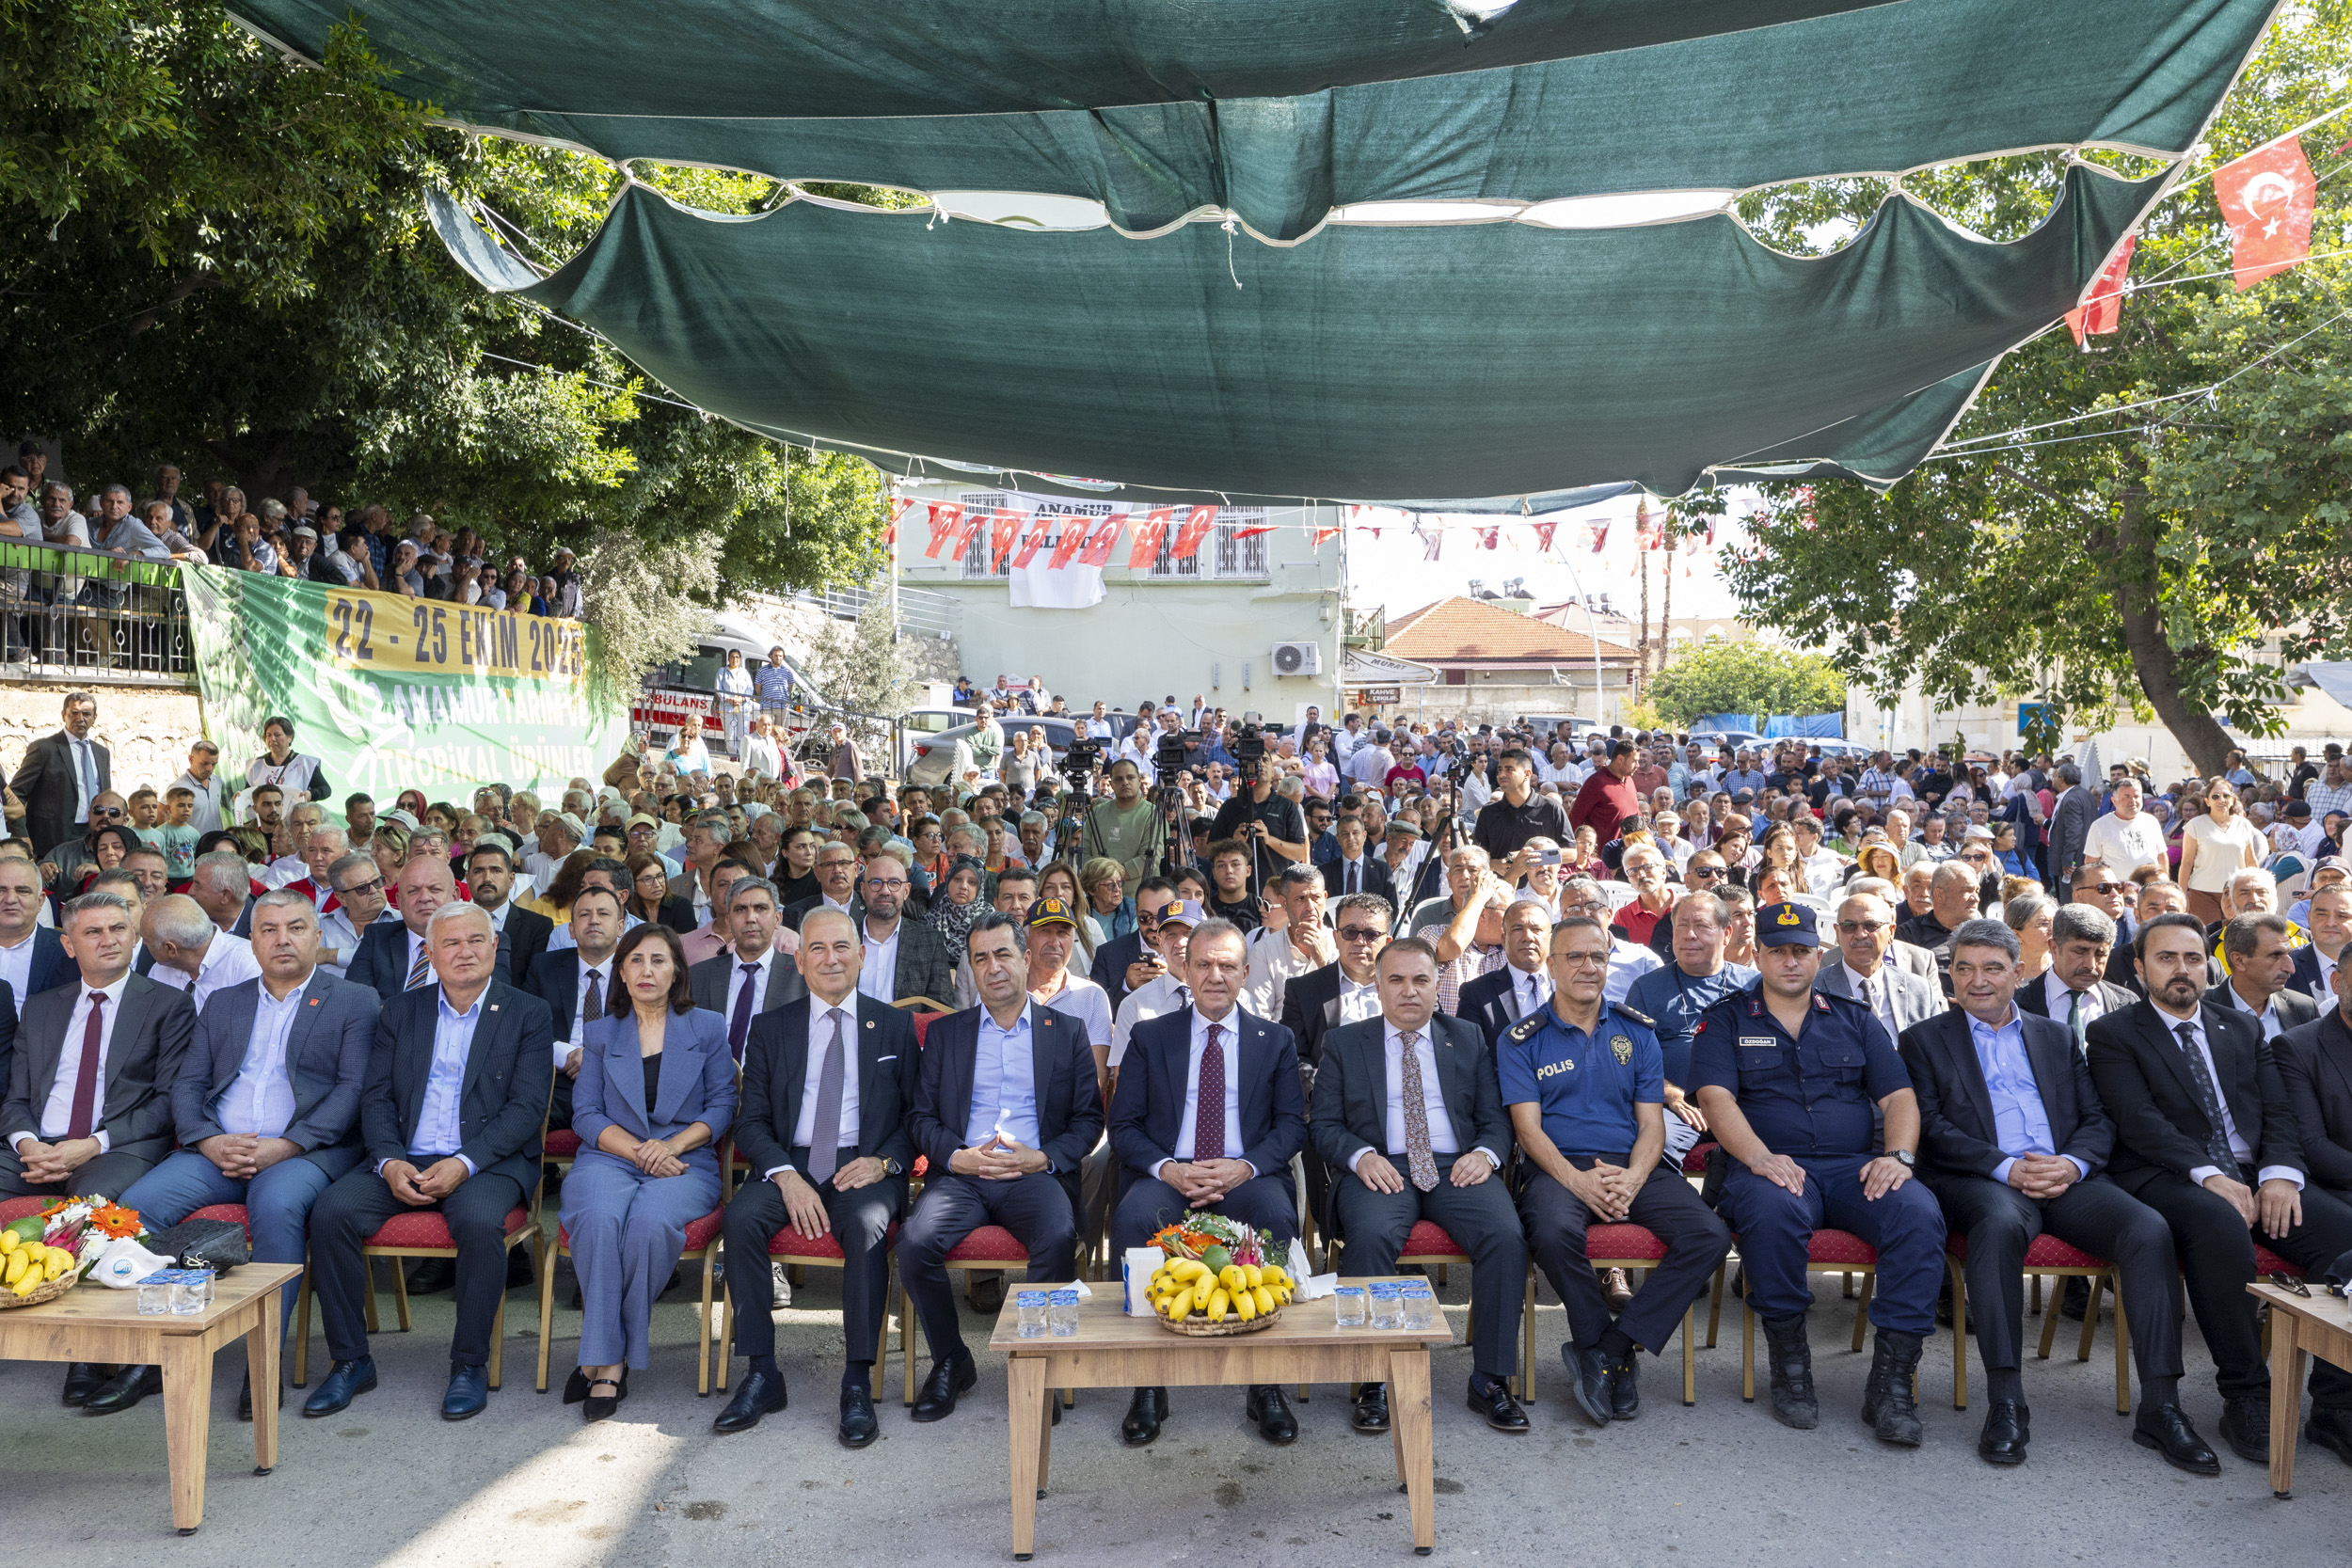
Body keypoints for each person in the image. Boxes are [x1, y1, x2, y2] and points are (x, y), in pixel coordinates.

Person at [1898, 918, 2209, 1470]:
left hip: (2065, 1176)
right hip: (1983, 1180)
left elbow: (2096, 1117)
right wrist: (2004, 1168)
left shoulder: (2056, 1035)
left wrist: (2071, 1163)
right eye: (1963, 968)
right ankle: (2007, 1401)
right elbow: (1933, 1127)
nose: (1977, 981)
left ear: (2019, 972)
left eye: (1992, 968)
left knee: (2146, 1228)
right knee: (1996, 1228)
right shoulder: (1923, 1040)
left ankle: (2162, 1406)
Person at [2085, 911, 2352, 1467]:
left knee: (2344, 1239)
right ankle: (2246, 1393)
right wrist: (2211, 1176)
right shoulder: (2112, 1033)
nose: (2182, 970)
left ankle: (2334, 1404)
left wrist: (2281, 1173)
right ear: (2139, 968)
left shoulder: (2241, 1027)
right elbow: (2139, 1122)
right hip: (2167, 1175)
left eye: (2191, 958)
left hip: (2255, 1174)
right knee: (2219, 1223)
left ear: (2208, 965)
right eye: (2165, 958)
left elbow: (2279, 1113)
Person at [103, 892, 378, 1421]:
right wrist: (208, 1139)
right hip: (218, 1149)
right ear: (249, 941)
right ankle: (156, 1349)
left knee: (276, 1209)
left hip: (304, 1150)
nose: (282, 939)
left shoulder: (354, 1000)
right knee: (138, 1207)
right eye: (268, 929)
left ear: (317, 937)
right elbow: (190, 1083)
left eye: (295, 928)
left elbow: (353, 1090)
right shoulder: (225, 1001)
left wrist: (288, 1144)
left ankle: (262, 1359)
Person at [1690, 902, 1945, 1444]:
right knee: (1771, 1211)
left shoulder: (1853, 1018)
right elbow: (1715, 1098)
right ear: (1756, 954)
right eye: (1777, 951)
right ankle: (1791, 1365)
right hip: (1767, 1167)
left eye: (1801, 951)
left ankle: (1892, 1381)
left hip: (1854, 1169)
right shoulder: (1727, 1018)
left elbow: (1899, 1096)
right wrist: (1758, 1157)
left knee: (1919, 1213)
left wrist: (1898, 1159)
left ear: (1817, 954)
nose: (1789, 962)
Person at [302, 902, 556, 1421]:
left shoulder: (528, 1011)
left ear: (494, 947)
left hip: (487, 1160)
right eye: (452, 944)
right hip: (405, 1154)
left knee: (480, 1222)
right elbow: (375, 1097)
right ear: (431, 954)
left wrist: (465, 1163)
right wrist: (390, 1160)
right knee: (331, 1213)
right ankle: (350, 1361)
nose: (465, 952)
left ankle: (468, 1363)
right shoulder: (400, 1010)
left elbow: (528, 1108)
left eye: (476, 941)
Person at [1502, 914, 1733, 1428]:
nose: (1589, 967)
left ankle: (1612, 1349)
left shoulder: (1637, 1033)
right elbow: (1527, 1131)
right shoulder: (1521, 1039)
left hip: (1633, 1166)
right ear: (1552, 965)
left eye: (1598, 957)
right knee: (1550, 1230)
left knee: (1709, 1235)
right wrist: (1580, 1182)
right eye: (1576, 957)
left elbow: (1652, 1124)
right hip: (1556, 1168)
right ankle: (1596, 1342)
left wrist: (1631, 1178)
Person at [712, 907, 920, 1444]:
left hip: (863, 1164)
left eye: (842, 947)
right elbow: (751, 1119)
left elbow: (916, 1117)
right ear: (799, 961)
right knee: (740, 1219)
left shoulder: (893, 1024)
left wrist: (883, 1164)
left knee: (868, 1224)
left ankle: (856, 1380)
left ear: (861, 956)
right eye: (818, 950)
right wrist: (784, 1173)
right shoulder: (770, 1028)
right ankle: (762, 1372)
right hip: (791, 1161)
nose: (831, 959)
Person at [1311, 937, 1529, 1433]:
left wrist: (1486, 1154)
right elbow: (1322, 1124)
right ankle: (1373, 1380)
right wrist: (1360, 1155)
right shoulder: (1346, 1043)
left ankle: (1491, 1381)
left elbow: (1495, 1118)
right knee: (1368, 1237)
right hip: (1380, 1165)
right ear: (1379, 986)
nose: (1409, 991)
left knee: (1505, 1236)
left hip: (1458, 1165)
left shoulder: (1468, 1036)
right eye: (1397, 980)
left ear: (1437, 987)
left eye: (1421, 980)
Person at [1108, 918, 1307, 1447]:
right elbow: (1122, 1125)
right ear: (1185, 970)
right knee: (1134, 1219)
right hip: (1172, 1171)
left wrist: (1243, 1167)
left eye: (1226, 965)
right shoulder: (1151, 1037)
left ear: (1245, 972)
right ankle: (1148, 1383)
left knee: (1275, 1217)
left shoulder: (1276, 1039)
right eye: (1203, 964)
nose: (1215, 975)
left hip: (1246, 1173)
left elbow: (1292, 1125)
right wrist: (1169, 1169)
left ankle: (1266, 1383)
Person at [897, 913, 1098, 1422]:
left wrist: (1046, 1157)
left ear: (1026, 959)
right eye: (980, 958)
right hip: (963, 1173)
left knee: (1056, 1236)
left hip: (1033, 1173)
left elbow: (1088, 1119)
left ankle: (1036, 1364)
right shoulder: (947, 1035)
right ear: (971, 969)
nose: (993, 967)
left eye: (1003, 954)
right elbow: (919, 1116)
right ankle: (951, 1360)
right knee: (915, 1243)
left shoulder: (1066, 1031)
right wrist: (955, 1156)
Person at [561, 923, 735, 1421]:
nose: (646, 970)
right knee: (597, 1217)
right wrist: (640, 1151)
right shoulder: (599, 1033)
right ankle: (612, 1360)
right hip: (612, 1155)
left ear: (677, 969)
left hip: (685, 1161)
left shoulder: (706, 1027)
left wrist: (672, 1144)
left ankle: (602, 1357)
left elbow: (724, 1102)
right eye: (635, 960)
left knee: (648, 1225)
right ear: (620, 970)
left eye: (658, 960)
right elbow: (587, 1114)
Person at [2, 891, 195, 1211]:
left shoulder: (169, 1006)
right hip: (36, 1150)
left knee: (91, 1205)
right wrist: (28, 1144)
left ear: (134, 937)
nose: (109, 940)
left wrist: (93, 1144)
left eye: (118, 929)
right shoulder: (40, 1008)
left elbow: (168, 1101)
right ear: (68, 945)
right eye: (93, 932)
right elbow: (17, 1098)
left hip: (115, 1149)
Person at [1625, 891, 1760, 1168]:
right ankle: (1678, 1210)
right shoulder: (1646, 988)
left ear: (1726, 933)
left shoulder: (1756, 986)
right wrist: (1670, 1094)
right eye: (1681, 926)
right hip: (1676, 1109)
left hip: (1746, 1105)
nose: (1689, 935)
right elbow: (1629, 1061)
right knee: (1652, 1145)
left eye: (1701, 926)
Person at [532, 884, 629, 1136]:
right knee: (519, 1119)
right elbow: (525, 1028)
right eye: (584, 915)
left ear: (621, 926)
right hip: (555, 1082)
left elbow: (647, 1031)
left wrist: (595, 1058)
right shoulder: (543, 967)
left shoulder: (638, 971)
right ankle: (543, 1175)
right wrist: (567, 1055)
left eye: (603, 914)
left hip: (617, 1084)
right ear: (572, 930)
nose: (593, 920)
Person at [1812, 892, 1942, 1047]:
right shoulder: (1814, 990)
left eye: (1871, 925)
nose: (1860, 935)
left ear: (1891, 932)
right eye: (1849, 926)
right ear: (1837, 933)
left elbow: (1936, 1051)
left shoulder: (1920, 990)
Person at [346, 857, 460, 1002]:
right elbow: (355, 998)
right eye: (413, 891)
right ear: (399, 902)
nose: (424, 898)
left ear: (455, 896)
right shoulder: (377, 938)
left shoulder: (480, 943)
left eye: (435, 889)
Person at [10, 690, 108, 859]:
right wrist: (21, 834)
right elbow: (15, 795)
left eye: (86, 714)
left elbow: (105, 795)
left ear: (94, 717)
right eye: (74, 713)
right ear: (64, 715)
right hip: (52, 840)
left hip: (93, 837)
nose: (80, 719)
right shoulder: (44, 749)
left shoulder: (102, 753)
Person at [855, 850, 955, 1005]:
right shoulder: (844, 939)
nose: (885, 891)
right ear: (862, 889)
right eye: (876, 882)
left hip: (910, 1028)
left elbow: (939, 1008)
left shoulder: (930, 941)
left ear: (906, 891)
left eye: (894, 883)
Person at [1457, 896, 1555, 1050]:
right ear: (1504, 939)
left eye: (1536, 929)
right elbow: (1470, 1058)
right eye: (1517, 929)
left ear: (1550, 939)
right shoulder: (1477, 993)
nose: (1528, 936)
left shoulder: (1570, 984)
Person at [139, 893, 262, 1013]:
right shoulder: (159, 970)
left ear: (170, 949)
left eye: (147, 941)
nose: (144, 944)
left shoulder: (248, 964)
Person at [2177, 779, 2265, 926]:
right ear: (2207, 801)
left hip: (2237, 892)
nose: (2221, 800)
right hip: (2202, 893)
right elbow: (2186, 862)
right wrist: (2181, 894)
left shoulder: (2243, 824)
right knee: (2208, 936)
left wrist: (2258, 890)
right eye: (2215, 796)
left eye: (2225, 796)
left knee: (2237, 934)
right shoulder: (2195, 825)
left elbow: (2251, 861)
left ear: (2232, 800)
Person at [466, 842, 554, 985]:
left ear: (511, 879)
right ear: (468, 879)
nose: (487, 878)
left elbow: (535, 984)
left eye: (496, 871)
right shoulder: (452, 924)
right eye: (478, 871)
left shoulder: (538, 926)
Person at [246, 716, 329, 808]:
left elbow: (325, 789)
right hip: (263, 821)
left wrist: (311, 794)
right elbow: (247, 795)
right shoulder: (255, 765)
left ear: (290, 737)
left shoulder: (305, 763)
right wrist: (240, 796)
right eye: (268, 735)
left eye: (277, 735)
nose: (272, 739)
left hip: (294, 819)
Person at [716, 649, 756, 761]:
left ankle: (742, 755)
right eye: (733, 657)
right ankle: (733, 756)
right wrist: (728, 699)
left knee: (743, 733)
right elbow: (718, 688)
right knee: (730, 734)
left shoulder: (744, 672)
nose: (735, 659)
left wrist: (743, 698)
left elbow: (750, 688)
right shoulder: (722, 671)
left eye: (737, 657)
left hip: (743, 708)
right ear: (728, 659)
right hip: (727, 707)